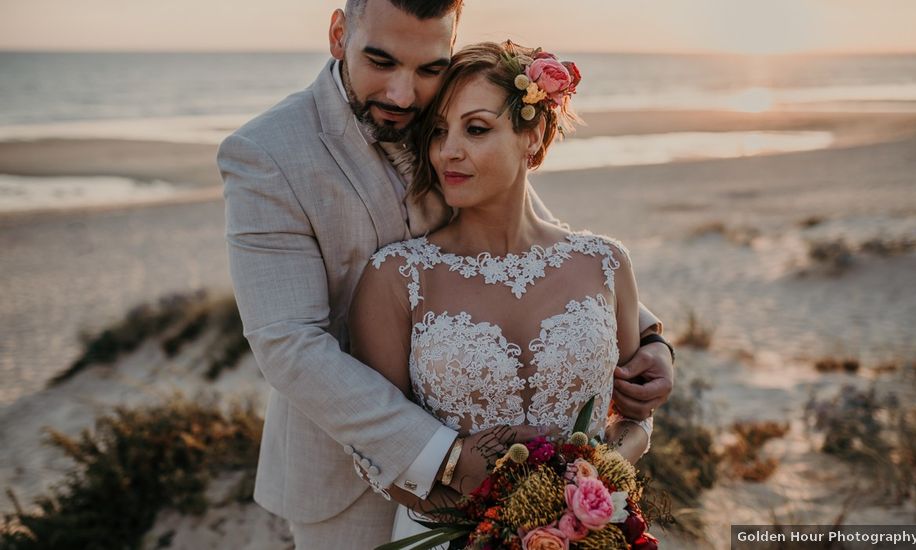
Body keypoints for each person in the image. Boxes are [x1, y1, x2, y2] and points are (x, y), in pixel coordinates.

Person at [218, 1, 674, 548]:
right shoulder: (266, 153)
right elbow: (286, 343)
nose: (402, 95)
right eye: (380, 61)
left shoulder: (444, 118)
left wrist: (650, 340)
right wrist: (449, 458)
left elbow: (531, 238)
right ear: (340, 34)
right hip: (344, 476)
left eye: (429, 68)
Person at [349, 40, 657, 543]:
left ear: (531, 136)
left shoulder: (605, 263)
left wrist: (584, 497)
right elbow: (378, 446)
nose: (449, 151)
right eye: (438, 133)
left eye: (476, 129)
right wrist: (499, 526)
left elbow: (633, 417)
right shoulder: (398, 277)